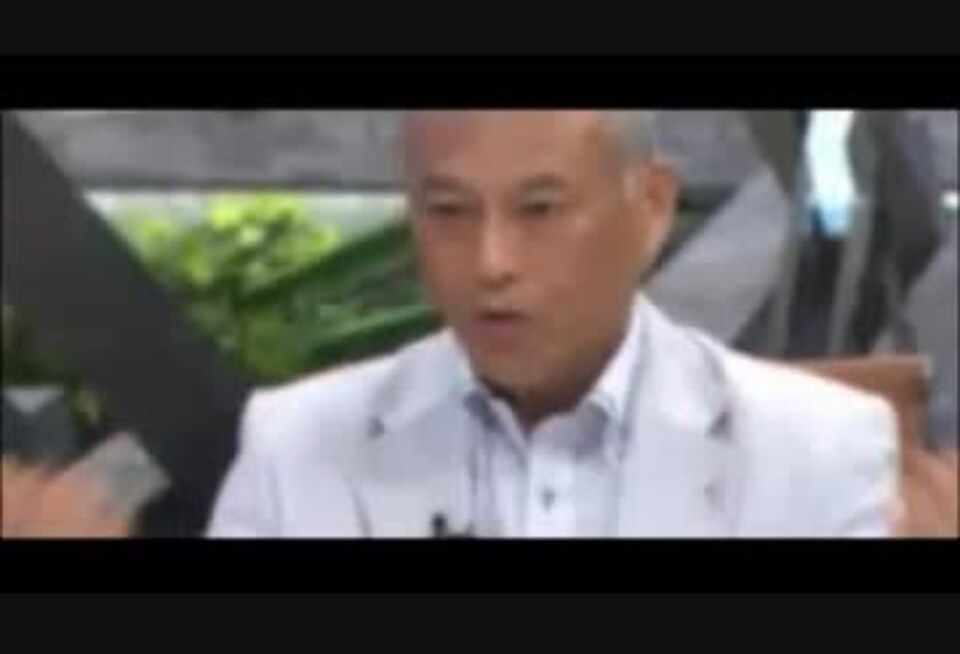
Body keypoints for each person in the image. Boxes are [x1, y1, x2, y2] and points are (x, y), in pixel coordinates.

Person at [204, 110, 904, 538]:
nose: (492, 262)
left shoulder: (817, 451)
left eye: (540, 210)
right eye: (449, 211)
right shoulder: (293, 447)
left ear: (651, 208)